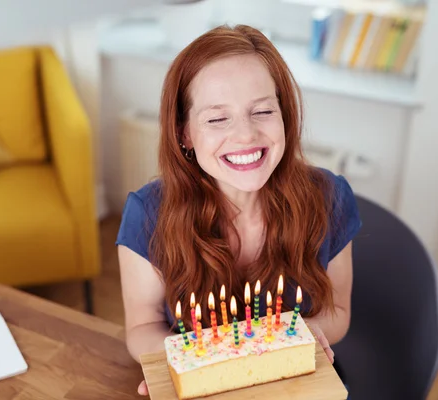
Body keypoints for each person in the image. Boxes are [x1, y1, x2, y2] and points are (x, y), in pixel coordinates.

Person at [115, 24, 361, 396]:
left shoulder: (331, 198)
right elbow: (141, 329)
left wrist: (290, 343)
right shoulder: (146, 215)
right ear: (184, 134)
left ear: (284, 115)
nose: (245, 135)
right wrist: (208, 362)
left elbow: (337, 313)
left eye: (262, 111)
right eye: (217, 118)